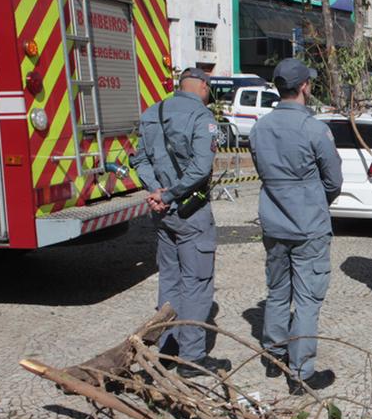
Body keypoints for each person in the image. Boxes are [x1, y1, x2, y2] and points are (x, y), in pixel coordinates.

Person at [250, 59, 343, 395]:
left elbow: (261, 170)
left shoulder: (260, 128)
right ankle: (301, 372)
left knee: (277, 292)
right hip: (308, 227)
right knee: (306, 299)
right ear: (305, 86)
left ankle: (273, 357)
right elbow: (334, 180)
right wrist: (316, 200)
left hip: (273, 224)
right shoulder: (314, 129)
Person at [132, 67, 230, 378]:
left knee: (169, 279)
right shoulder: (203, 118)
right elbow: (201, 168)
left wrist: (156, 190)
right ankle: (193, 357)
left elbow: (139, 159)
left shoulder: (152, 113)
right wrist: (172, 193)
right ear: (203, 86)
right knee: (197, 283)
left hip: (162, 213)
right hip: (190, 211)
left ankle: (168, 349)